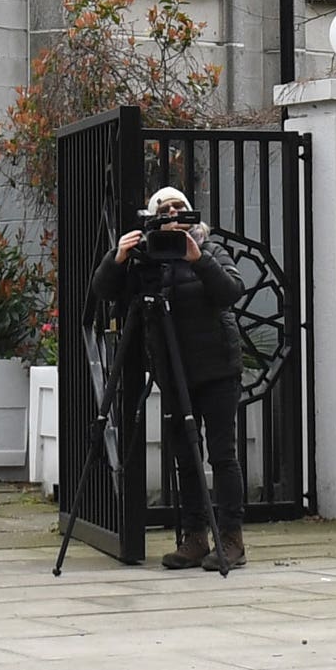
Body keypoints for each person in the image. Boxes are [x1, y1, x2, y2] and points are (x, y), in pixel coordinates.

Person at [110, 186, 247, 574]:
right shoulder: (148, 258)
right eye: (164, 208)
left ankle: (231, 539)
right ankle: (194, 538)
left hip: (217, 367)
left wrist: (198, 258)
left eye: (179, 207)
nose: (172, 212)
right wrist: (118, 258)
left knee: (222, 455)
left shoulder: (210, 248)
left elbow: (230, 292)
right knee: (185, 458)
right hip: (174, 371)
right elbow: (105, 294)